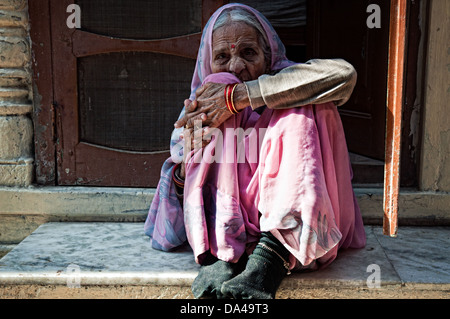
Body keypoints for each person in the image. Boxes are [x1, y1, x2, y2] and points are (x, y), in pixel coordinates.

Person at [144, 3, 366, 299]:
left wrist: (240, 96)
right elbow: (171, 226)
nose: (236, 66)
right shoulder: (202, 106)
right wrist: (191, 161)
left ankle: (272, 256)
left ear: (268, 55)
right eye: (222, 56)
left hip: (285, 233)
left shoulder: (281, 82)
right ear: (207, 62)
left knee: (305, 96)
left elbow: (344, 74)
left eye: (248, 53)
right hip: (225, 229)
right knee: (218, 86)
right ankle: (220, 253)